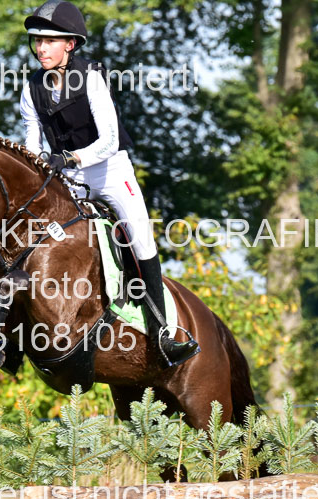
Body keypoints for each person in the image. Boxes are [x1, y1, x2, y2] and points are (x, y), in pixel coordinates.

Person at [19, 0, 199, 367]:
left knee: (140, 237)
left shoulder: (91, 78)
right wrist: (38, 168)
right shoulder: (32, 88)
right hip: (67, 178)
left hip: (109, 171)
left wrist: (70, 158)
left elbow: (109, 140)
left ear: (70, 44)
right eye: (37, 41)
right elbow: (32, 144)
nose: (41, 49)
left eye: (49, 41)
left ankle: (162, 332)